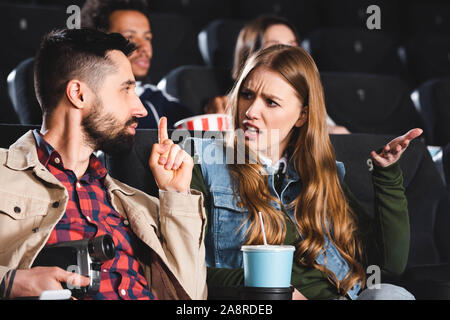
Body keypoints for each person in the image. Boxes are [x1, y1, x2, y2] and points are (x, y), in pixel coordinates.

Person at [190, 44, 421, 300]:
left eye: (271, 102)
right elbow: (184, 271)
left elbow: (389, 263)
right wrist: (278, 291)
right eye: (246, 94)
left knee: (391, 294)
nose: (251, 112)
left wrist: (387, 175)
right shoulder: (203, 163)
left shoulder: (321, 173)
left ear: (302, 115)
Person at [0, 28, 206, 300]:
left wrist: (176, 196)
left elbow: (192, 298)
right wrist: (12, 282)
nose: (141, 110)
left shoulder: (136, 205)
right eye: (126, 89)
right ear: (79, 94)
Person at [204, 14, 349, 135]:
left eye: (293, 46)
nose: (288, 54)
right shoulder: (225, 106)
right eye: (275, 46)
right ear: (251, 56)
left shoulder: (306, 100)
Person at [81, 0, 193, 129]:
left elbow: (197, 127)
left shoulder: (158, 100)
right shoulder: (81, 101)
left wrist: (214, 110)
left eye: (147, 38)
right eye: (130, 37)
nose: (144, 47)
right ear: (97, 43)